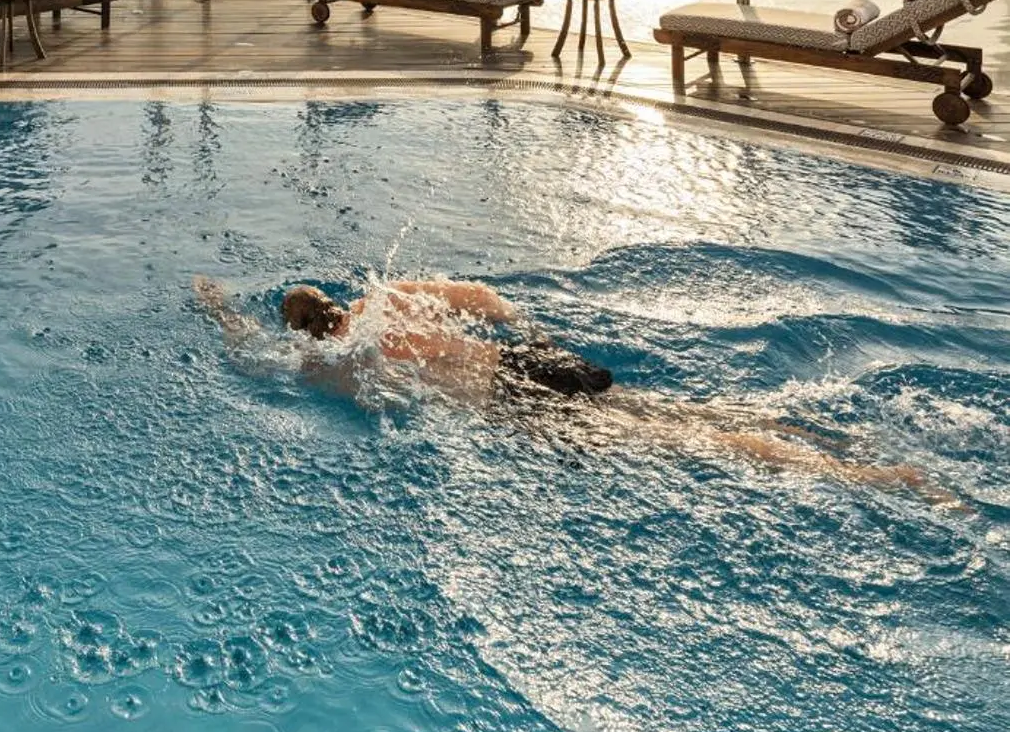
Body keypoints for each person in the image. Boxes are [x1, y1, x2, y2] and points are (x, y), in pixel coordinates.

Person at [192, 275, 958, 505]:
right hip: (525, 365)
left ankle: (871, 478)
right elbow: (482, 297)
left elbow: (241, 354)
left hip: (511, 407)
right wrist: (536, 330)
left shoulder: (325, 366)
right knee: (681, 413)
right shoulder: (383, 300)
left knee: (682, 444)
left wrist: (217, 306)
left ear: (301, 332)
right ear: (333, 302)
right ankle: (835, 440)